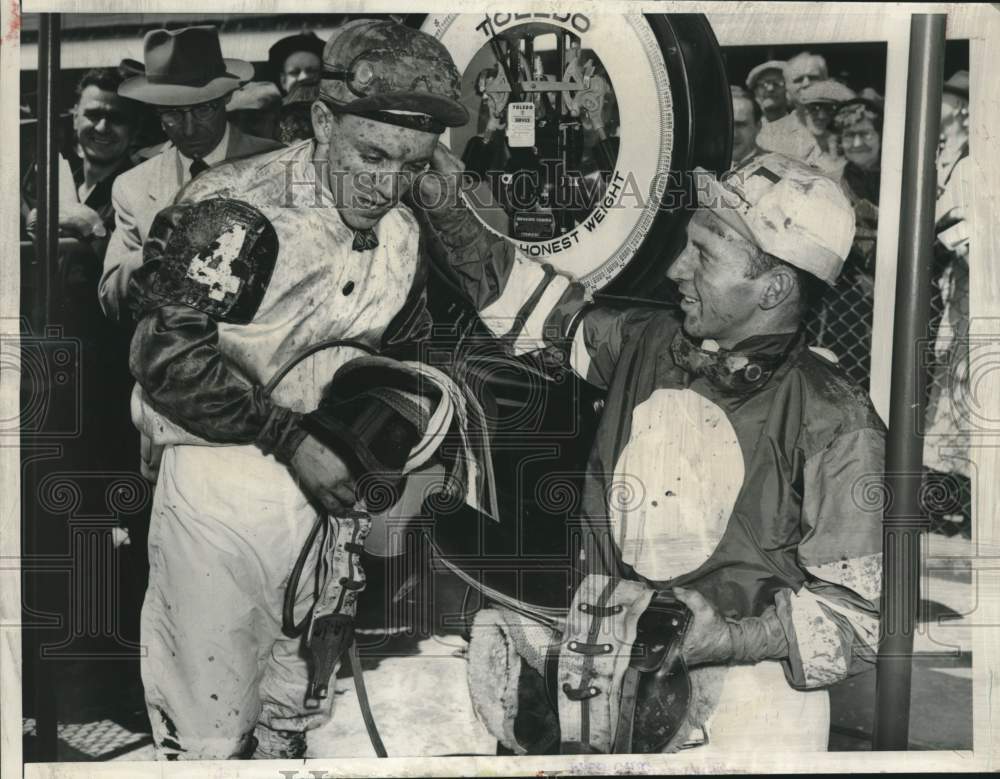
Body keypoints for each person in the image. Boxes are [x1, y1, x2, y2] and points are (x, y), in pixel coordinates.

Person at [432, 151, 884, 752]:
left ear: (773, 287)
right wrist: (445, 207)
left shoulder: (841, 423)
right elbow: (524, 303)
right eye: (686, 245)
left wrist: (727, 639)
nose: (676, 269)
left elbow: (859, 624)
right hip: (596, 681)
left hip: (749, 713)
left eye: (704, 254)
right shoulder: (649, 342)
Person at [123, 19, 472, 760]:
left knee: (296, 721)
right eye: (371, 155)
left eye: (411, 165)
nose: (387, 182)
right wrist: (290, 438)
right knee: (210, 733)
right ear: (321, 119)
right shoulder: (237, 206)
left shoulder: (404, 231)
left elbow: (399, 352)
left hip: (326, 501)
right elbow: (166, 361)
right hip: (218, 491)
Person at [98, 25, 283, 322]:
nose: (189, 128)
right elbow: (110, 298)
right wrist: (155, 253)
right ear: (155, 110)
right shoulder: (132, 186)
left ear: (226, 98)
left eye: (203, 110)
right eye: (173, 114)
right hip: (172, 353)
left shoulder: (277, 165)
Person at [923, 69, 972, 536]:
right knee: (949, 384)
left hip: (973, 282)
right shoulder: (940, 155)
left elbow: (965, 220)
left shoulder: (977, 158)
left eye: (945, 99)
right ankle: (948, 496)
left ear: (963, 108)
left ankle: (968, 498)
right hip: (949, 287)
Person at [25, 67, 137, 253]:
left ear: (133, 127)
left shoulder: (140, 193)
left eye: (116, 118)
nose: (102, 128)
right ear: (75, 118)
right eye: (93, 115)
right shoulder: (59, 183)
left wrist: (91, 225)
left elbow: (138, 272)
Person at [762, 76, 855, 174]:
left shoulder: (853, 154)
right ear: (804, 112)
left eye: (829, 109)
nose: (821, 116)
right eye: (813, 109)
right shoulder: (799, 151)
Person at [758, 51, 832, 163]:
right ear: (787, 87)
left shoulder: (844, 123)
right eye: (798, 80)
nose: (806, 83)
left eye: (813, 77)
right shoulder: (769, 135)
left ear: (826, 82)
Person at [729, 86, 765, 168]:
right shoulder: (701, 167)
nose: (734, 134)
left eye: (740, 125)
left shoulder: (777, 168)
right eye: (726, 126)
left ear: (758, 127)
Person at [745, 60, 790, 124]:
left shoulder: (800, 126)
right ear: (755, 93)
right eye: (763, 84)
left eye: (776, 83)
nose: (770, 89)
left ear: (788, 89)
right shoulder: (750, 129)